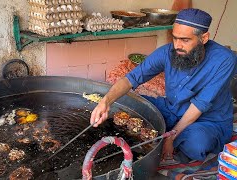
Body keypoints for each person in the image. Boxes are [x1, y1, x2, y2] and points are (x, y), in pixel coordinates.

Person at [90, 8, 237, 163]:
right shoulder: (168, 52)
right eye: (175, 38)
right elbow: (131, 78)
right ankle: (164, 135)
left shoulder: (224, 60)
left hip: (206, 120)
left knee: (197, 144)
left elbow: (200, 104)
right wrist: (106, 101)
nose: (177, 45)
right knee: (128, 103)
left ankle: (170, 139)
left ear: (204, 38)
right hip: (172, 109)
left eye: (185, 40)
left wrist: (172, 136)